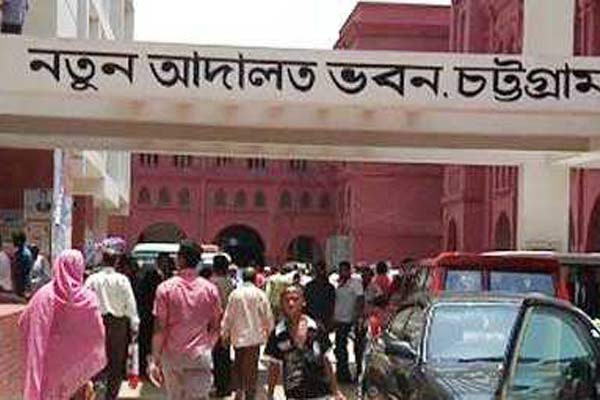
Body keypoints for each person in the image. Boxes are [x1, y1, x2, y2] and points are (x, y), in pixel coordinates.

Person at [19, 249, 106, 400]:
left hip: (49, 367)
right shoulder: (89, 299)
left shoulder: (43, 296)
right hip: (77, 373)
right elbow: (97, 335)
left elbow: (24, 321)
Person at [148, 239, 221, 400]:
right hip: (200, 356)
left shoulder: (165, 289)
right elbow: (216, 326)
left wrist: (155, 360)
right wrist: (208, 347)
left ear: (180, 259)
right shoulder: (210, 290)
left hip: (173, 356)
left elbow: (160, 328)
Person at [265, 285, 345, 400]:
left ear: (303, 302)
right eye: (286, 300)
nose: (291, 303)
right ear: (281, 304)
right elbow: (274, 366)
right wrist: (270, 394)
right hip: (294, 394)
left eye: (295, 299)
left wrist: (336, 391)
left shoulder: (316, 328)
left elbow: (326, 359)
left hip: (321, 393)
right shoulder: (278, 334)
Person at [85, 237, 139, 400]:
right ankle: (111, 396)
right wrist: (134, 327)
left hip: (96, 325)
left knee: (96, 362)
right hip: (118, 326)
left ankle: (96, 393)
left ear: (102, 260)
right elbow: (131, 307)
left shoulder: (92, 279)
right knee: (116, 364)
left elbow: (85, 303)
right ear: (116, 261)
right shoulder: (122, 280)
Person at [221, 267, 274, 400]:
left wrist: (224, 334)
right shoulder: (260, 294)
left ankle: (239, 390)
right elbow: (267, 315)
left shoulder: (235, 294)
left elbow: (228, 316)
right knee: (251, 369)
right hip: (254, 337)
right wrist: (270, 333)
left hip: (238, 337)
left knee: (238, 365)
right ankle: (249, 395)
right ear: (255, 278)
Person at [332, 261, 364, 383]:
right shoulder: (336, 283)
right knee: (339, 348)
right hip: (339, 320)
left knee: (353, 348)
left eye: (345, 270)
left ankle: (355, 373)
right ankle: (342, 373)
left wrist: (357, 317)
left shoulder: (355, 283)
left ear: (349, 271)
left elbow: (360, 300)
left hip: (350, 319)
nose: (342, 272)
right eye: (340, 270)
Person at [134, 259, 164, 378]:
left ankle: (142, 370)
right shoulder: (160, 290)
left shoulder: (141, 289)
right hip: (156, 320)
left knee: (143, 346)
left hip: (144, 318)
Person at [211, 255, 236, 397]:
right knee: (225, 356)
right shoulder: (230, 283)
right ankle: (225, 385)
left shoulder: (211, 283)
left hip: (214, 325)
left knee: (216, 357)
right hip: (227, 324)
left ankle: (219, 386)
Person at [304, 261, 336, 332]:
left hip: (325, 319)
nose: (320, 272)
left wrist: (330, 320)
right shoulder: (309, 286)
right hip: (312, 317)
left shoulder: (330, 288)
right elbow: (306, 302)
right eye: (318, 270)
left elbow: (332, 304)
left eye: (321, 269)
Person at [12, 230, 33, 297]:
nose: (13, 242)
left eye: (14, 240)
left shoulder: (24, 254)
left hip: (23, 286)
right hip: (20, 285)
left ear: (19, 241)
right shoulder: (20, 252)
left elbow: (22, 271)